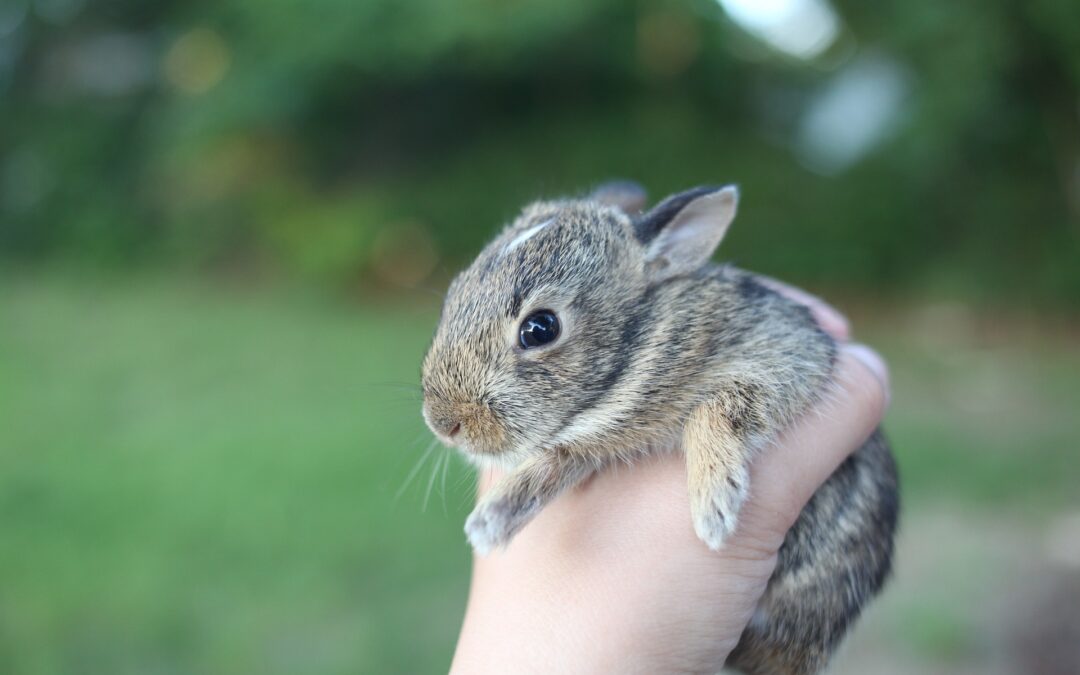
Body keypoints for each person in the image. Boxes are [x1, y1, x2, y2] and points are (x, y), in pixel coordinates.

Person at [449, 284, 891, 674]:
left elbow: (788, 354)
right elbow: (586, 443)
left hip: (803, 577)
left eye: (539, 330)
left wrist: (718, 429)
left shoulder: (690, 329)